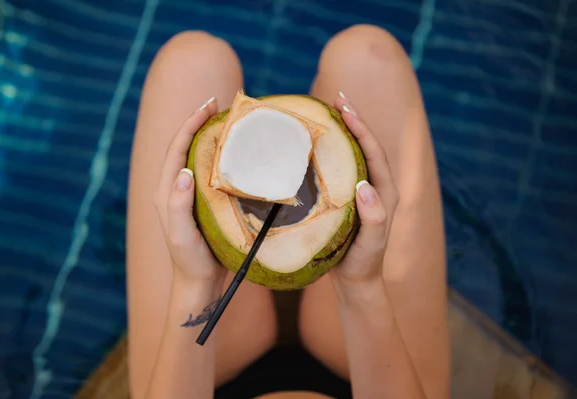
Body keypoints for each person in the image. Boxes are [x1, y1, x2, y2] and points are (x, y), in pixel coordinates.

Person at [126, 25, 450, 399]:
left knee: (189, 61)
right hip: (374, 376)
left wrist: (195, 283)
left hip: (207, 379)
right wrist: (361, 285)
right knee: (369, 56)